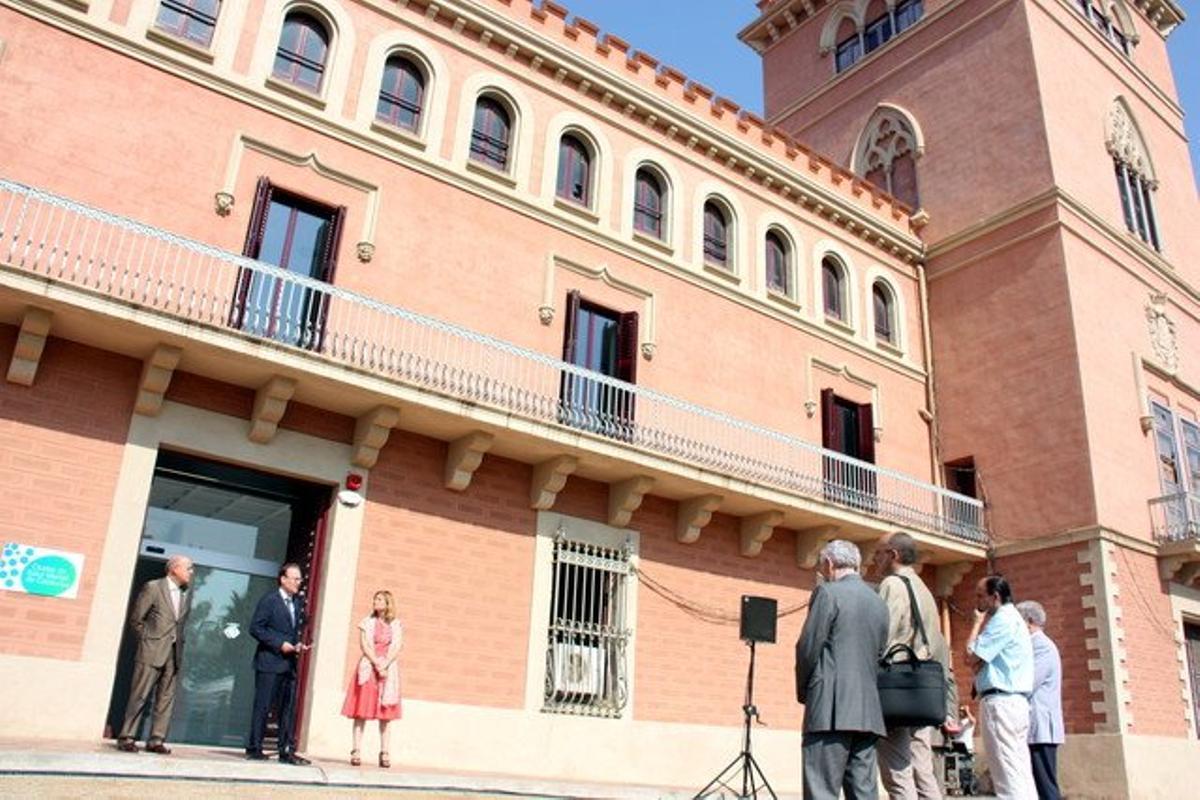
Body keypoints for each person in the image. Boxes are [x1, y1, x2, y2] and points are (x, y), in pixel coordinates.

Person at [795, 539, 890, 800]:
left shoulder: (827, 593)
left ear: (828, 564)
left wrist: (805, 691)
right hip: (868, 711)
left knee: (821, 789)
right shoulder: (878, 602)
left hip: (829, 708)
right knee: (864, 792)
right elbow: (880, 653)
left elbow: (808, 647)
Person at [873, 532, 957, 800]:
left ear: (893, 555)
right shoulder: (923, 588)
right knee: (923, 769)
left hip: (897, 689)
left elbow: (882, 635)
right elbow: (939, 645)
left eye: (878, 553)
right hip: (922, 690)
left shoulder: (892, 584)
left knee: (897, 771)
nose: (874, 559)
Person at [965, 575, 1035, 799]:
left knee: (1006, 772)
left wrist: (976, 624)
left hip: (1001, 702)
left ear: (994, 597)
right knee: (1019, 768)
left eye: (980, 595)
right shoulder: (1014, 620)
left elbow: (971, 657)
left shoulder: (1002, 620)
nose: (977, 601)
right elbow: (979, 663)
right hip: (1014, 701)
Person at [116, 555, 194, 754]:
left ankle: (156, 739)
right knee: (140, 694)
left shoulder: (185, 594)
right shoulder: (153, 587)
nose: (191, 572)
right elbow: (136, 620)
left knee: (166, 698)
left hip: (173, 653)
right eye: (188, 568)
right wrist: (147, 641)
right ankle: (127, 736)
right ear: (174, 569)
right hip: (152, 650)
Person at [246, 562, 311, 765]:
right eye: (294, 578)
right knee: (263, 706)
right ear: (283, 579)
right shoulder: (270, 600)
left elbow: (296, 629)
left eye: (300, 579)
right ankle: (255, 747)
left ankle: (286, 750)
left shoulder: (298, 603)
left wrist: (298, 644)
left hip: (289, 664)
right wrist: (279, 644)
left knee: (288, 709)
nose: (298, 583)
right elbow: (256, 628)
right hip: (269, 662)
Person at [342, 589, 403, 768]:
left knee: (385, 715)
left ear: (387, 603)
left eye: (379, 599)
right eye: (375, 599)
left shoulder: (396, 624)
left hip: (387, 670)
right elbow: (365, 645)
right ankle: (356, 750)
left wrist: (384, 665)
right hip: (370, 667)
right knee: (361, 712)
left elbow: (397, 646)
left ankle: (384, 751)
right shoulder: (367, 622)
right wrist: (377, 663)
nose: (375, 602)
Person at [1017, 601, 1063, 800]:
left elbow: (1028, 682)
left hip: (1041, 728)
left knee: (1045, 786)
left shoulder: (1042, 647)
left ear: (1029, 622)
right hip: (1033, 727)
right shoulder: (1032, 646)